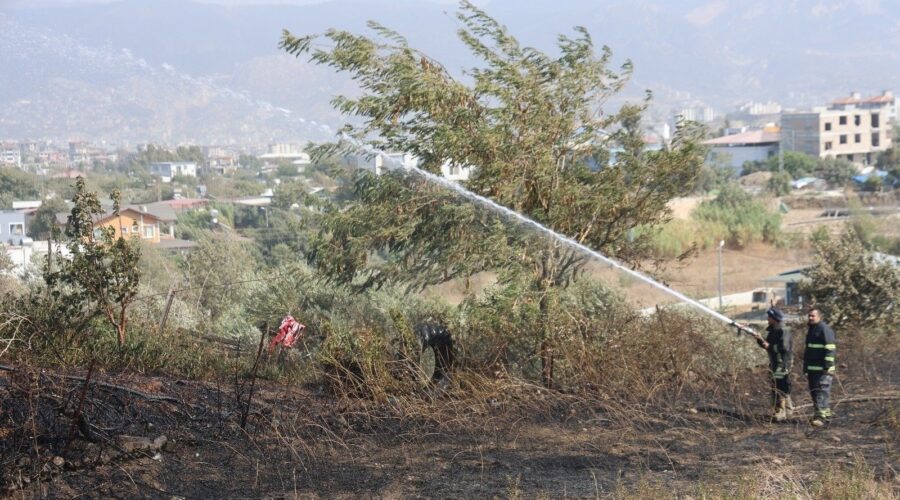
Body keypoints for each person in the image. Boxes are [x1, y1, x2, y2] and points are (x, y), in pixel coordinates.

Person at [756, 308, 793, 422]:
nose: (767, 319)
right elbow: (767, 344)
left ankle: (781, 412)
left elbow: (784, 348)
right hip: (775, 362)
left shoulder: (784, 330)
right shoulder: (774, 330)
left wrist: (769, 346)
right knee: (777, 385)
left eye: (769, 317)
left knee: (779, 387)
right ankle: (788, 410)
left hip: (782, 363)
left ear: (774, 318)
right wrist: (759, 339)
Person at [804, 307, 836, 426]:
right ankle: (825, 415)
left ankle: (820, 418)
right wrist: (806, 367)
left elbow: (830, 348)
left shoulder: (824, 329)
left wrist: (827, 366)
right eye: (809, 316)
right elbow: (809, 350)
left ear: (819, 317)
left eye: (813, 316)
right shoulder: (812, 330)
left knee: (821, 392)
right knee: (816, 393)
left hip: (823, 370)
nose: (810, 318)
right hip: (813, 369)